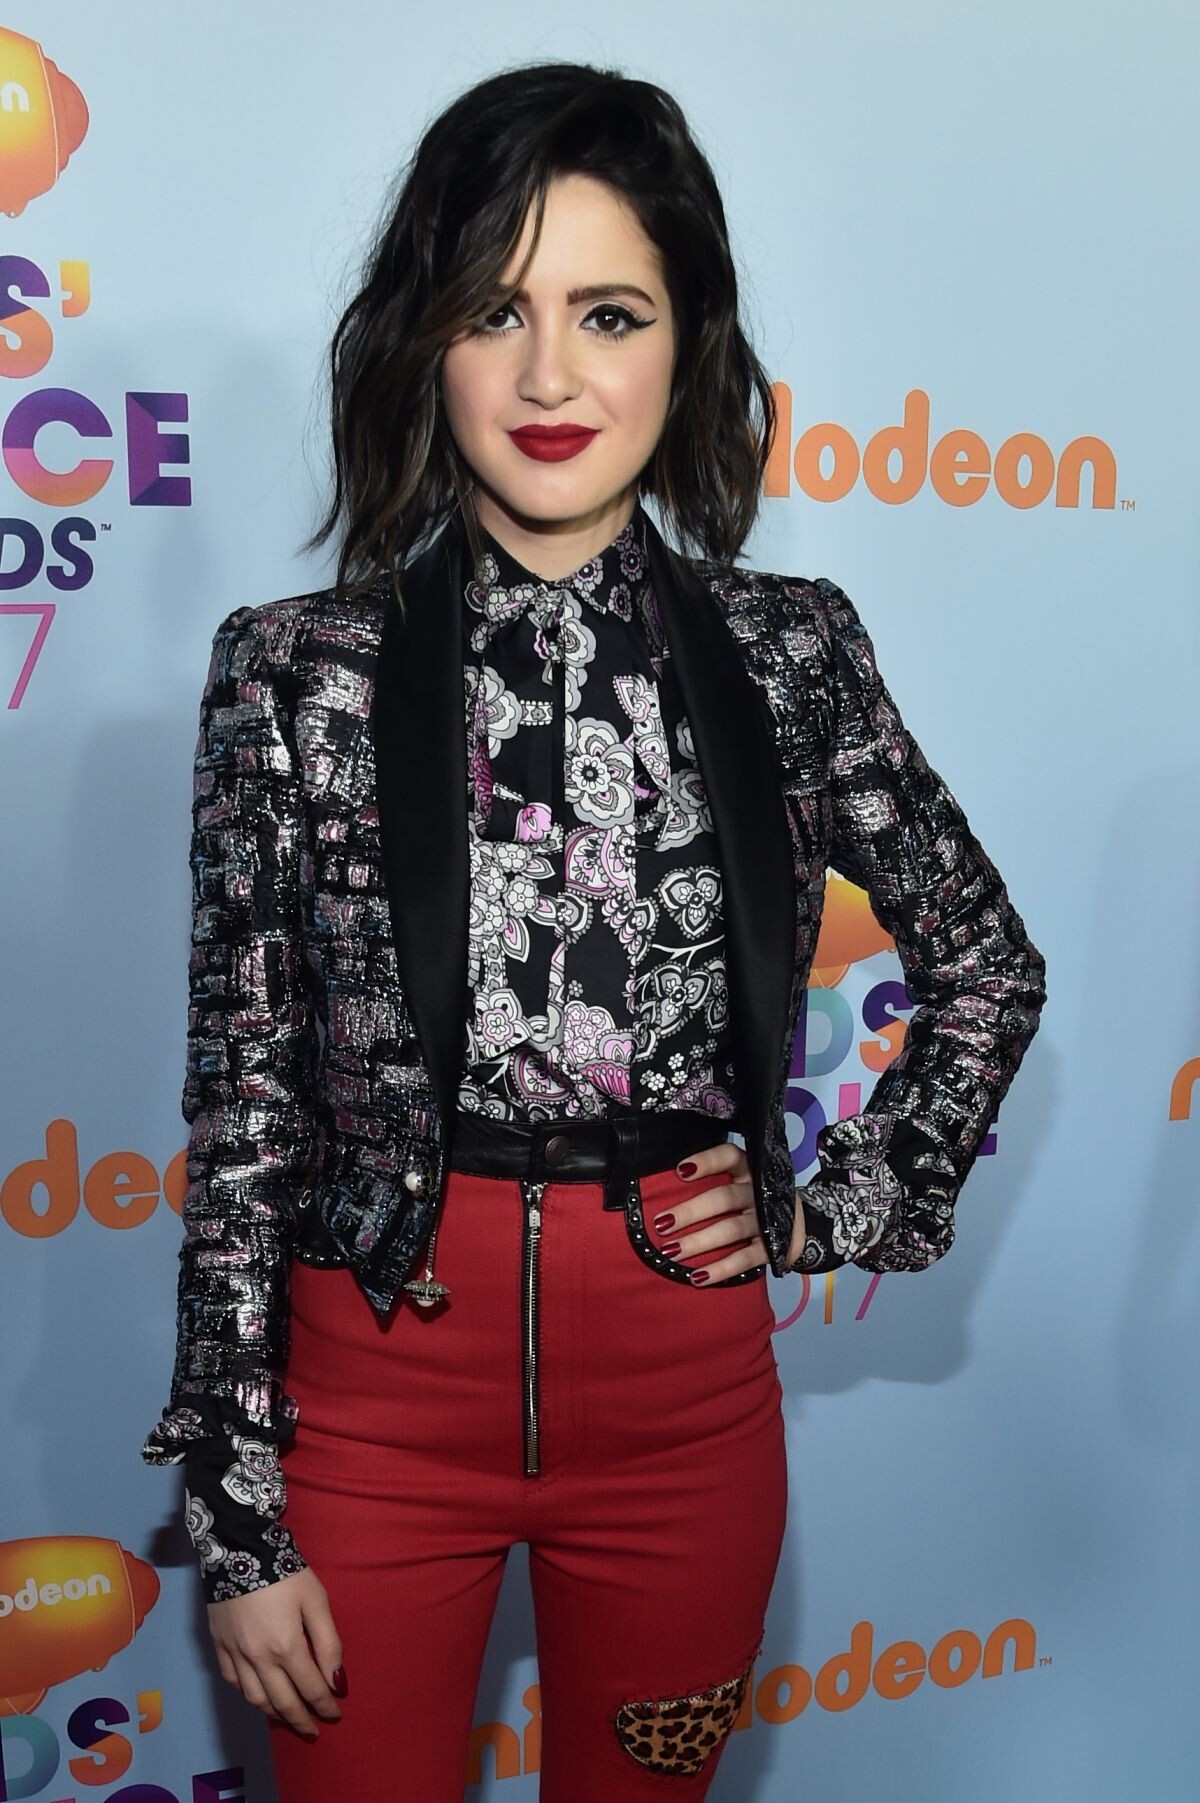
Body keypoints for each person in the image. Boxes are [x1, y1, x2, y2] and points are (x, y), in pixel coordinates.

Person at [139, 59, 1047, 1802]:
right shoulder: (295, 672)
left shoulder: (792, 652)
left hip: (682, 1413)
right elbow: (246, 1105)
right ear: (424, 345)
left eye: (608, 313)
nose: (551, 376)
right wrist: (238, 1515)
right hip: (370, 1404)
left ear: (685, 347)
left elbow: (988, 967)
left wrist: (844, 1203)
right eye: (496, 311)